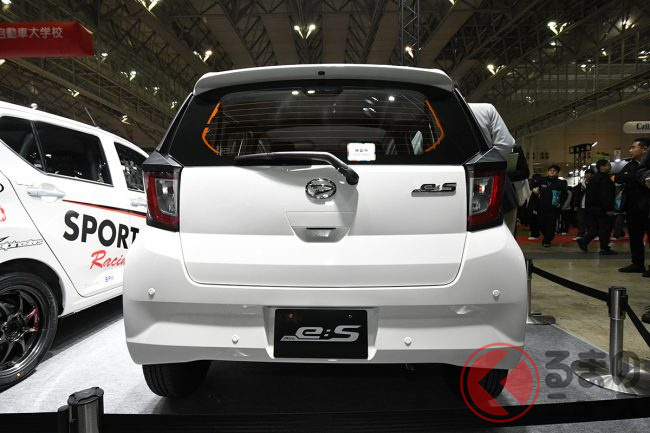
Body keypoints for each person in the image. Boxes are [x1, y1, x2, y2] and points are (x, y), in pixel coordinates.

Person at [468, 103, 520, 234]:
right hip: (489, 184)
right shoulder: (484, 109)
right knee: (501, 236)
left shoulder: (432, 110)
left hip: (442, 186)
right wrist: (481, 166)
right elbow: (506, 144)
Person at [615, 138, 650, 273]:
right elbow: (619, 178)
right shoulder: (630, 164)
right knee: (635, 236)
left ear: (644, 149)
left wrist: (632, 178)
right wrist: (637, 178)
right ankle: (637, 263)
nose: (630, 150)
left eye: (633, 147)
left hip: (647, 205)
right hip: (632, 206)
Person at [576, 159, 616, 255]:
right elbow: (605, 195)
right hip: (602, 209)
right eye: (608, 165)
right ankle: (604, 248)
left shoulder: (593, 179)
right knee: (605, 228)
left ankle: (584, 240)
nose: (610, 166)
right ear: (602, 167)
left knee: (595, 228)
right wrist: (609, 208)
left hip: (591, 208)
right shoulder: (605, 179)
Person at [531, 165, 568, 247]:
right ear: (548, 171)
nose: (552, 172)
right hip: (541, 206)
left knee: (550, 224)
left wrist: (561, 203)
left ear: (557, 172)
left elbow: (565, 194)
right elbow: (532, 185)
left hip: (553, 207)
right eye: (550, 170)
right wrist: (534, 190)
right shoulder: (542, 180)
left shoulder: (560, 183)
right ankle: (548, 236)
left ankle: (547, 240)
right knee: (541, 224)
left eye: (554, 170)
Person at [571, 168, 594, 240]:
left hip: (591, 206)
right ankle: (580, 235)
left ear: (592, 175)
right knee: (581, 221)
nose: (588, 175)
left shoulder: (595, 184)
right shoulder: (581, 185)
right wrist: (575, 205)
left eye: (589, 174)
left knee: (591, 222)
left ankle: (591, 235)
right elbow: (577, 195)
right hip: (581, 206)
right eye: (586, 174)